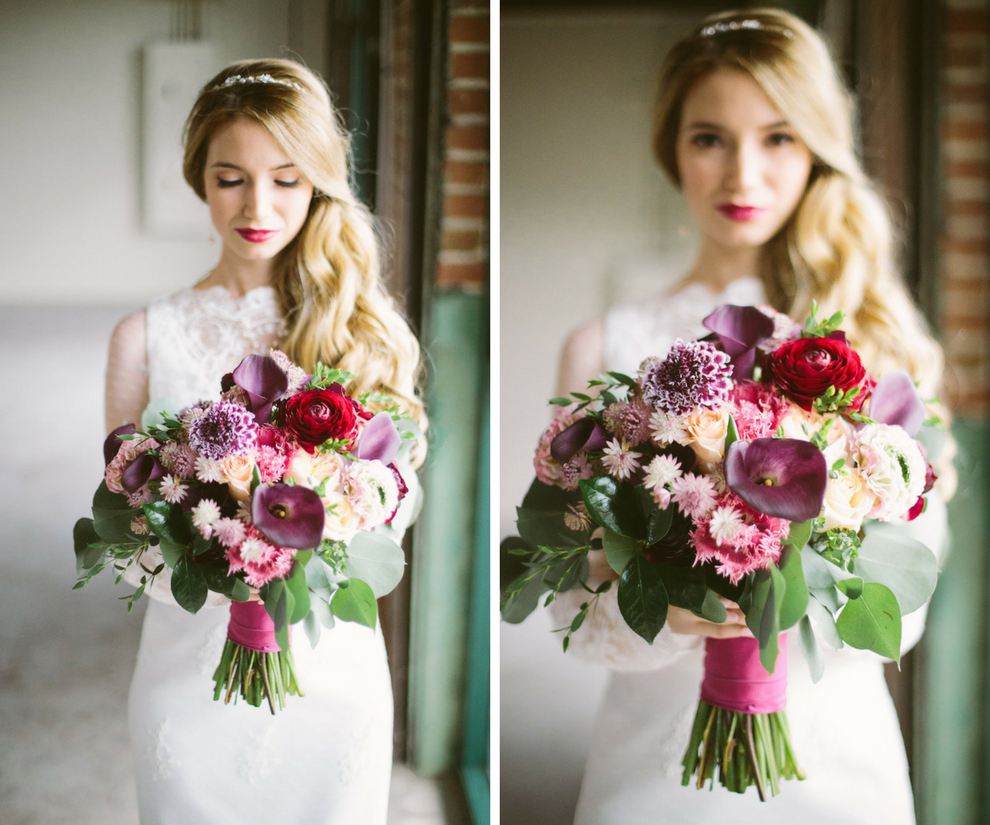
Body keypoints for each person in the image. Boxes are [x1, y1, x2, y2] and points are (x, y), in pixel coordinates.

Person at [551, 9, 950, 824]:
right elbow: (569, 603)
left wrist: (785, 590)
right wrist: (668, 606)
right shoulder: (603, 347)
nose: (743, 174)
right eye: (710, 138)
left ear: (816, 151)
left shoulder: (877, 348)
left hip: (835, 760)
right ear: (672, 149)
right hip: (652, 767)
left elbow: (905, 605)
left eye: (777, 138)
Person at [104, 59, 425, 824]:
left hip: (331, 667)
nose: (258, 205)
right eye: (230, 178)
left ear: (318, 182)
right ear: (198, 181)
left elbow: (395, 507)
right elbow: (121, 526)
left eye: (286, 178)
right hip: (189, 666)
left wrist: (312, 535)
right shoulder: (144, 336)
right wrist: (217, 544)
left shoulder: (365, 333)